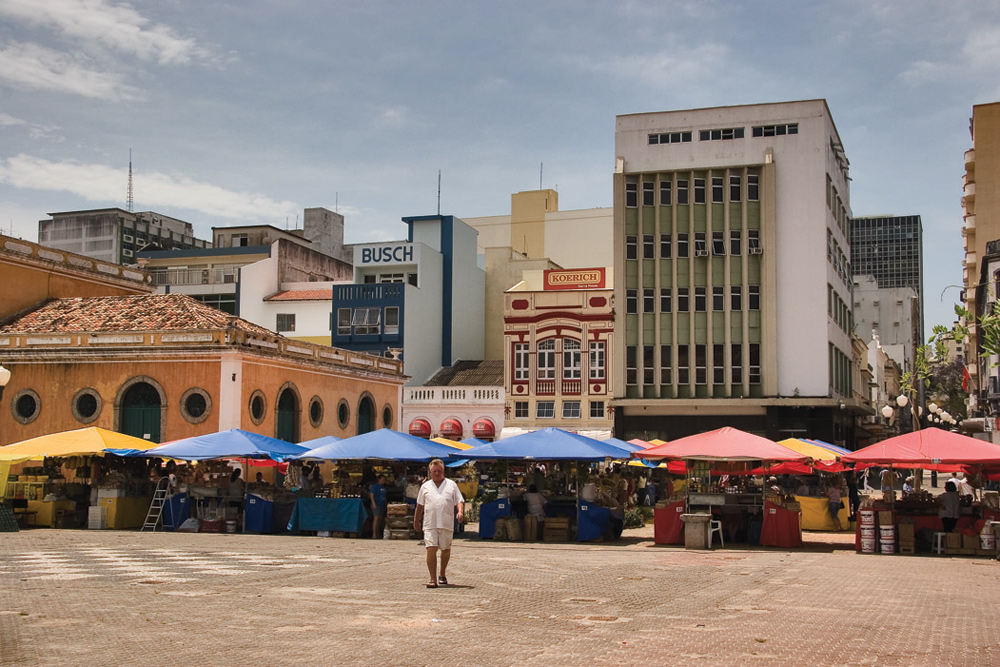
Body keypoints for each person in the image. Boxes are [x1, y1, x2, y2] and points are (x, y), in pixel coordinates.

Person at [413, 459, 464, 588]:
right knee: (431, 548)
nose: (437, 473)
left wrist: (460, 512)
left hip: (446, 522)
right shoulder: (425, 486)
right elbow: (419, 505)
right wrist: (416, 520)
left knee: (445, 549)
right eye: (434, 471)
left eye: (439, 471)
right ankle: (432, 578)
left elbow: (459, 500)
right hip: (430, 523)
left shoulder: (451, 485)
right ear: (430, 472)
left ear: (443, 471)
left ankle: (442, 573)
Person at [370, 474, 387, 539]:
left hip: (382, 504)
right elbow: (372, 495)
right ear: (379, 479)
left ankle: (378, 533)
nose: (383, 481)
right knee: (376, 518)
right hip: (376, 504)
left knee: (380, 519)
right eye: (382, 479)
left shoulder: (383, 487)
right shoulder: (375, 486)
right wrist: (373, 503)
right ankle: (374, 534)